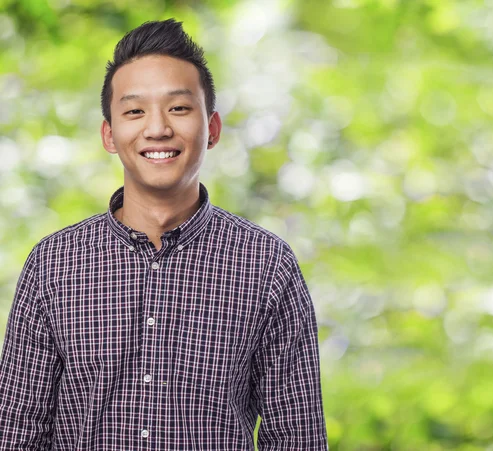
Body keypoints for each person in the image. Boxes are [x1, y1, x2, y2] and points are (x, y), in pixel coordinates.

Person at [0, 19, 327, 450]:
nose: (157, 128)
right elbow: (16, 434)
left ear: (211, 129)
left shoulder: (267, 265)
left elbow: (297, 438)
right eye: (134, 111)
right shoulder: (53, 264)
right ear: (109, 134)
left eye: (178, 108)